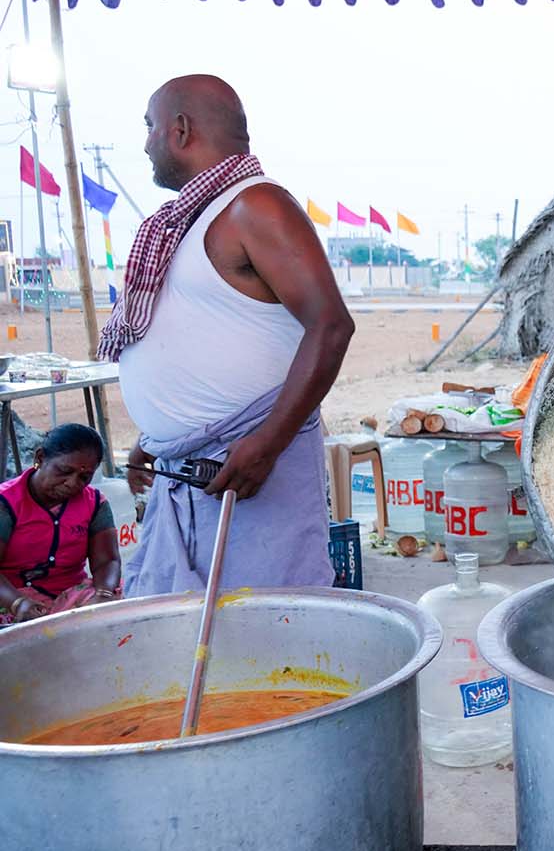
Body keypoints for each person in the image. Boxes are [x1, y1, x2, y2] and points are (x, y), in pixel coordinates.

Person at [104, 75, 355, 596]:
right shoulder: (188, 221)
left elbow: (331, 326)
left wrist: (267, 443)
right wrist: (160, 438)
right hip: (187, 468)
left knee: (266, 628)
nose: (145, 144)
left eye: (149, 128)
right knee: (183, 634)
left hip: (247, 468)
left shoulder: (255, 206)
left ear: (180, 130)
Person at [0, 425, 120, 625]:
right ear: (40, 458)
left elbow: (107, 561)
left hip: (69, 595)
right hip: (9, 597)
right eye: (64, 471)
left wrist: (104, 594)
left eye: (84, 477)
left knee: (110, 617)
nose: (72, 483)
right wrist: (18, 603)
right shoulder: (5, 503)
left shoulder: (95, 504)